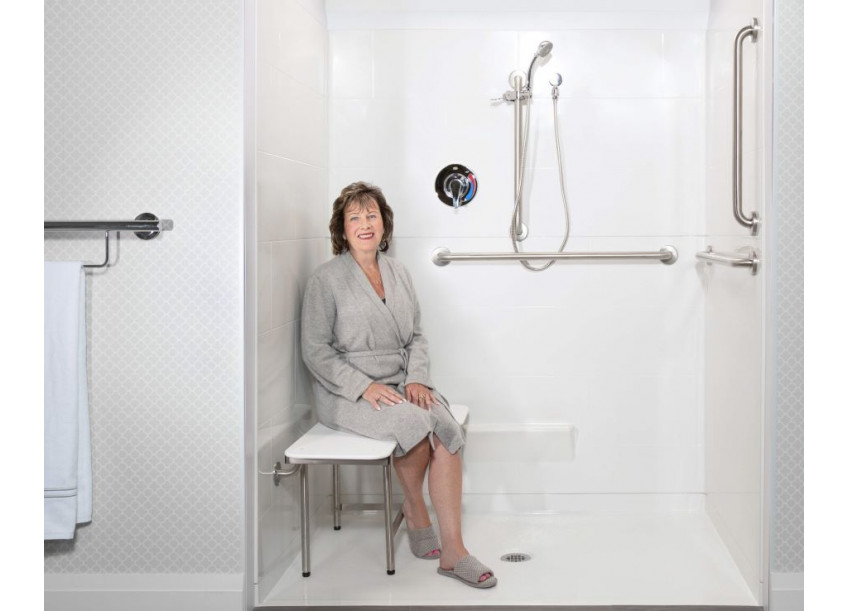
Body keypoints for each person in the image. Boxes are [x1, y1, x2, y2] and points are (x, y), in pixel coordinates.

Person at [300, 181, 497, 589]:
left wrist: (418, 378)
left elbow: (416, 336)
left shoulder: (398, 272)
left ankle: (453, 550)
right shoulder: (326, 279)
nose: (364, 224)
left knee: (447, 430)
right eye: (354, 217)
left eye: (371, 215)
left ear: (384, 224)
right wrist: (363, 387)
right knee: (414, 426)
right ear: (342, 228)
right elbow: (315, 351)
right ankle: (415, 508)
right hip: (346, 392)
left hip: (402, 379)